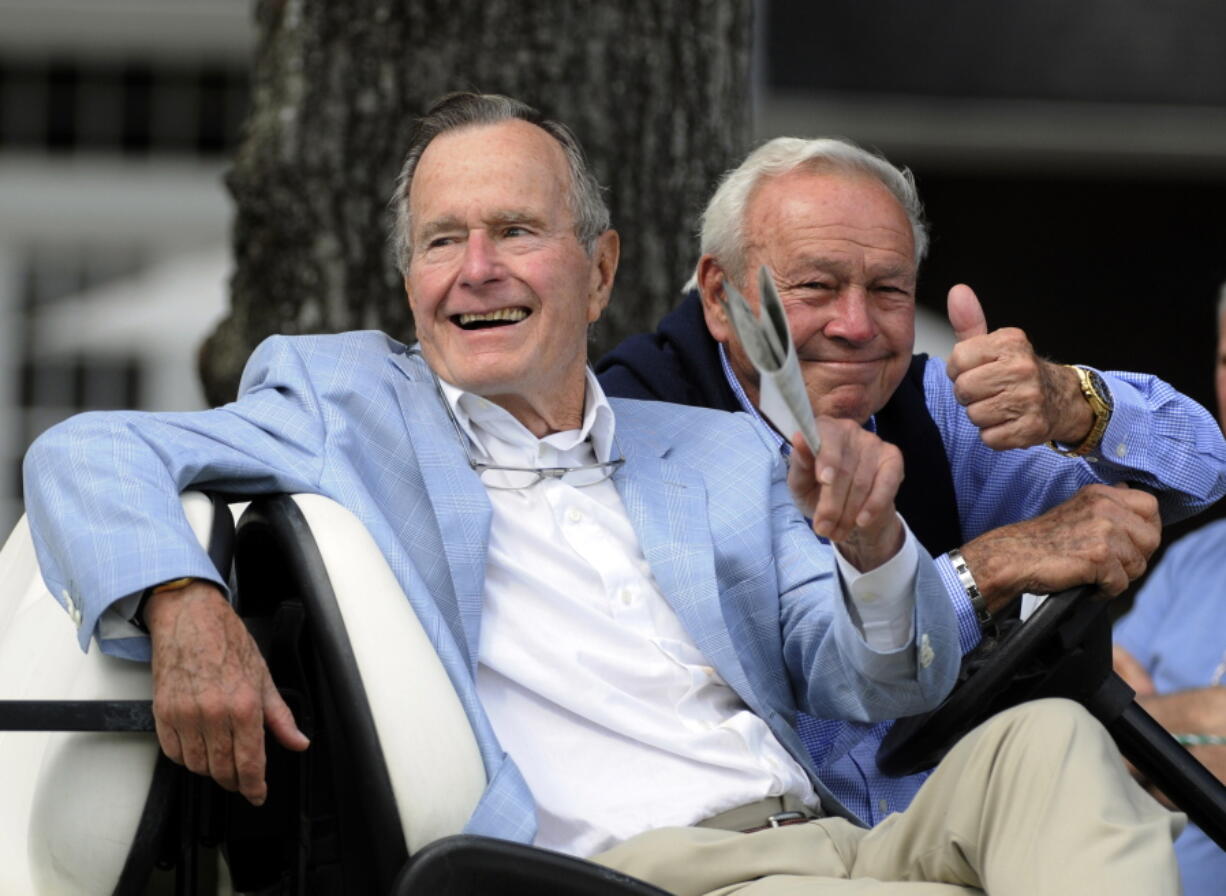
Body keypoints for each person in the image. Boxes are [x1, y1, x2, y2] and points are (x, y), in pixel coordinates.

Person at [23, 93, 1180, 894]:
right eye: (442, 241)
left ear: (602, 267)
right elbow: (87, 451)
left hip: (840, 837)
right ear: (410, 279)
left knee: (1047, 741)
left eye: (516, 232)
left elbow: (880, 674)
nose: (475, 269)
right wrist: (180, 599)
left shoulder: (716, 453)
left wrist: (877, 549)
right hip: (635, 870)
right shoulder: (345, 403)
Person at [596, 136, 1226, 823]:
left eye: (888, 289)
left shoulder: (923, 409)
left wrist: (1072, 403)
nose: (857, 325)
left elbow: (1201, 470)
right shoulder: (635, 436)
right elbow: (816, 688)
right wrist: (985, 571)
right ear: (720, 296)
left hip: (940, 838)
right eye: (816, 286)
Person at [1113, 285, 1226, 896]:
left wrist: (1147, 735)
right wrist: (1197, 720)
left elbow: (1124, 730)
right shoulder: (1192, 558)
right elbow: (1097, 732)